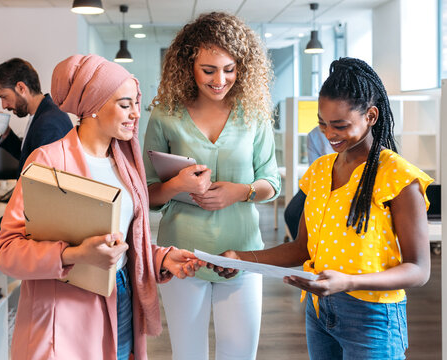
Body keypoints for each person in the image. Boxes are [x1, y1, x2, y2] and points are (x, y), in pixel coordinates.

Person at [212, 57, 432, 359]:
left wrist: (350, 282)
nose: (329, 134)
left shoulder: (398, 177)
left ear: (370, 115)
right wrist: (241, 259)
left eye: (340, 125)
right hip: (319, 310)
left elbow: (419, 269)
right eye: (322, 124)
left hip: (373, 317)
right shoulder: (319, 170)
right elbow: (302, 248)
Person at [0, 54, 204, 360]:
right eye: (125, 104)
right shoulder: (48, 160)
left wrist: (161, 258)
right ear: (93, 106)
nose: (136, 113)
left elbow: (125, 240)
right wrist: (75, 254)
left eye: (136, 103)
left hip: (121, 297)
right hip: (66, 316)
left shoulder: (125, 164)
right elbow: (6, 252)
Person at [142, 12, 280, 360]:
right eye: (209, 70)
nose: (220, 80)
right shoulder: (166, 115)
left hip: (243, 252)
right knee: (188, 354)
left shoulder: (253, 114)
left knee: (240, 354)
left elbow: (271, 183)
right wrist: (175, 185)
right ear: (189, 66)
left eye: (230, 69)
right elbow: (146, 192)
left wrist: (241, 191)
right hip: (182, 255)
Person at [0, 58, 72, 240]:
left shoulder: (48, 124)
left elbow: (39, 189)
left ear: (21, 88)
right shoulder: (42, 115)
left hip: (49, 229)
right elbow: (31, 158)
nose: (4, 105)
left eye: (3, 96)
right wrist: (6, 135)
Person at [284, 126, 333, 240]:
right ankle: (306, 249)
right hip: (321, 181)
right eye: (322, 123)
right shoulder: (314, 135)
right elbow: (315, 169)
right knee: (292, 213)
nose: (329, 134)